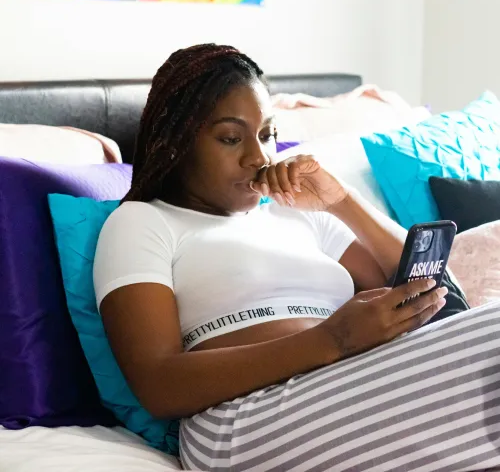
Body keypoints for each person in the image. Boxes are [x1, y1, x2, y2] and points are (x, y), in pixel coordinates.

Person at [93, 44, 500, 471]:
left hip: (350, 383)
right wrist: (332, 340)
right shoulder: (142, 222)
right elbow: (159, 385)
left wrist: (342, 200)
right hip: (239, 419)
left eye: (266, 134)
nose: (258, 157)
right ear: (177, 144)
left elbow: (443, 298)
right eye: (231, 138)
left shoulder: (301, 215)